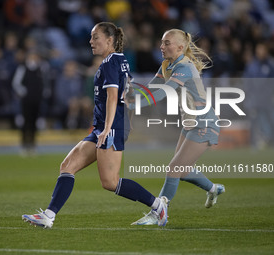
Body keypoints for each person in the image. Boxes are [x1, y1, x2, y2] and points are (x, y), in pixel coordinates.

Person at [22, 22, 167, 228]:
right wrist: (128, 122)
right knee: (67, 166)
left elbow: (113, 96)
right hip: (106, 127)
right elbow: (130, 94)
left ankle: (158, 205)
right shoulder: (119, 60)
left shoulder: (109, 63)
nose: (91, 41)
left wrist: (109, 128)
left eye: (95, 37)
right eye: (91, 37)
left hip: (109, 128)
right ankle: (48, 215)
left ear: (109, 40)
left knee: (110, 182)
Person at [130, 29, 225, 226]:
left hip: (204, 123)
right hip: (191, 123)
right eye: (162, 42)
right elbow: (152, 88)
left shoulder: (184, 67)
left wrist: (133, 103)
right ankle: (213, 189)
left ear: (180, 47)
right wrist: (129, 90)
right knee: (181, 170)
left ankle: (159, 213)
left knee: (174, 168)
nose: (161, 46)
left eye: (167, 43)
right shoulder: (167, 64)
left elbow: (163, 92)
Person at [12, 51, 47, 155]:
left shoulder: (41, 68)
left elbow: (44, 83)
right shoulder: (23, 68)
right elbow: (16, 82)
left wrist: (42, 93)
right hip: (26, 100)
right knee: (25, 122)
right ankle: (23, 144)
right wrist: (23, 92)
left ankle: (33, 144)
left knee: (34, 122)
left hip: (37, 99)